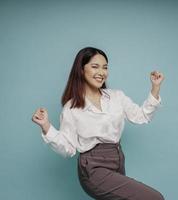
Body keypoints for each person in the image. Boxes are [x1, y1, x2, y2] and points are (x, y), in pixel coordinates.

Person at [32, 47, 165, 200]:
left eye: (105, 67)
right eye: (95, 67)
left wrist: (155, 88)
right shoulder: (72, 108)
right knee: (154, 198)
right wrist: (46, 126)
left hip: (117, 159)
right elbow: (68, 148)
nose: (101, 72)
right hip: (93, 168)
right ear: (81, 70)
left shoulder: (116, 96)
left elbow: (141, 116)